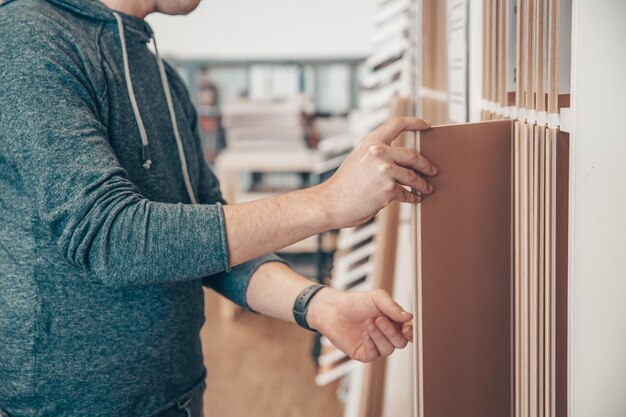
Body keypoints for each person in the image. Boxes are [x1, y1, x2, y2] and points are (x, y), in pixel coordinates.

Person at [0, 0, 437, 416]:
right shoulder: (28, 38)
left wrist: (318, 304)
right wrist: (329, 201)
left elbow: (209, 248)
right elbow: (114, 238)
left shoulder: (162, 77)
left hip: (180, 394)